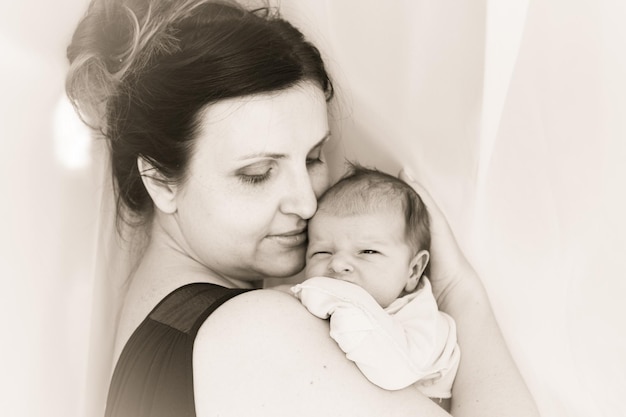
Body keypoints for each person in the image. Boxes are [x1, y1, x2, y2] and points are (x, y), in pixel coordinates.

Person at [65, 0, 541, 416]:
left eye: (313, 158)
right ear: (161, 180)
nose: (307, 200)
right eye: (257, 173)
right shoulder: (252, 333)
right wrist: (459, 289)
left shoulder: (158, 328)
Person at [291, 165, 460, 410]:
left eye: (368, 251)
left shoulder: (429, 326)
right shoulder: (310, 299)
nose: (337, 263)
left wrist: (329, 296)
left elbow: (393, 370)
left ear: (413, 271)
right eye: (321, 252)